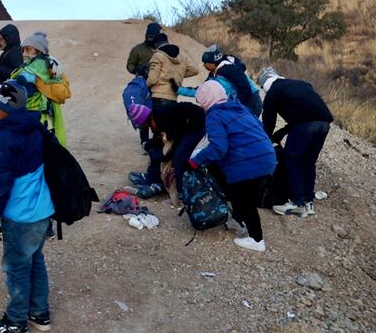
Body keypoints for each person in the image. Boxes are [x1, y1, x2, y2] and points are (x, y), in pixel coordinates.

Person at [0, 80, 55, 333]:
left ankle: (16, 323)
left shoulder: (6, 136)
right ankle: (39, 313)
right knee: (35, 260)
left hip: (20, 214)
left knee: (17, 267)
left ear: (8, 108)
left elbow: (0, 182)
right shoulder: (34, 127)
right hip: (42, 210)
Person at [189, 81, 276, 252]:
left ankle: (257, 240)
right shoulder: (240, 108)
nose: (201, 106)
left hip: (250, 161)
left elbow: (218, 148)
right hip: (267, 156)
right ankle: (238, 220)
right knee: (239, 191)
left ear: (207, 100)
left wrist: (195, 161)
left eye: (201, 102)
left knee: (246, 200)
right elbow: (258, 129)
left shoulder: (214, 115)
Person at [258, 67, 334, 217]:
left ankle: (296, 203)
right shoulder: (300, 84)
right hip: (324, 123)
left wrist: (264, 141)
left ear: (265, 84)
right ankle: (308, 202)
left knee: (292, 160)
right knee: (309, 161)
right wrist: (282, 133)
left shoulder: (273, 91)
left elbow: (268, 121)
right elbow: (304, 108)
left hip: (304, 125)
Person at [128, 101, 206, 200]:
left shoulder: (164, 118)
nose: (144, 128)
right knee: (154, 148)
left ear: (145, 121)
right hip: (184, 125)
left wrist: (165, 156)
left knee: (179, 157)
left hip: (197, 125)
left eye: (143, 126)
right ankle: (153, 178)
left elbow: (176, 142)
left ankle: (180, 192)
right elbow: (159, 141)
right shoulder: (155, 118)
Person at [11, 32, 71, 145]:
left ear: (40, 51)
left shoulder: (55, 72)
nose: (24, 54)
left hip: (45, 121)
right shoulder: (21, 70)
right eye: (23, 50)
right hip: (23, 120)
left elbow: (64, 94)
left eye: (28, 50)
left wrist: (39, 81)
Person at [178, 45, 262, 116]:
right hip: (240, 105)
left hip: (251, 102)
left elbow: (245, 87)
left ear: (212, 64)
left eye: (205, 63)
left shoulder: (229, 69)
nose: (203, 65)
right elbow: (202, 91)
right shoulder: (213, 75)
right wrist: (179, 90)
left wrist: (237, 106)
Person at [146, 33, 198, 118]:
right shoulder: (181, 55)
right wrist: (177, 75)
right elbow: (195, 70)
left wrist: (145, 85)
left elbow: (152, 79)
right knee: (170, 128)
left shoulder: (158, 55)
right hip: (173, 97)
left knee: (160, 128)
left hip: (158, 97)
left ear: (156, 44)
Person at [127, 22, 162, 145]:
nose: (150, 38)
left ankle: (158, 139)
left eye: (153, 36)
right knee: (143, 111)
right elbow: (129, 65)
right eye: (148, 36)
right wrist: (137, 70)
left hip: (159, 85)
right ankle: (144, 142)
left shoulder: (162, 49)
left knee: (158, 112)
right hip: (142, 85)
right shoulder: (137, 50)